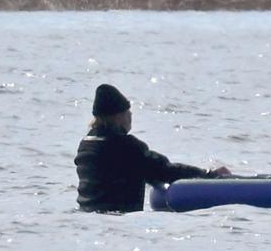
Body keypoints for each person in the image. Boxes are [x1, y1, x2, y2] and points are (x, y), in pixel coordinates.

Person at [75, 83, 231, 213]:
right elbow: (165, 170)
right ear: (118, 117)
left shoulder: (86, 144)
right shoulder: (126, 146)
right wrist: (208, 175)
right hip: (116, 219)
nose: (131, 116)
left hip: (88, 214)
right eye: (127, 112)